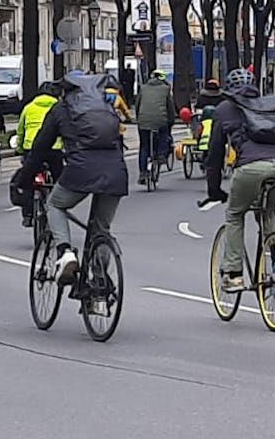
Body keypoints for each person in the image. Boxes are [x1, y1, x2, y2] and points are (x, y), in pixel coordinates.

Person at [14, 72, 129, 296]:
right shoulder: (105, 109)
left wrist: (24, 179)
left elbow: (39, 149)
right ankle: (99, 283)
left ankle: (65, 252)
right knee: (101, 229)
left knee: (55, 205)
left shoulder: (62, 109)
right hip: (116, 172)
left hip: (81, 170)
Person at [204, 68, 275, 292]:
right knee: (268, 212)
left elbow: (215, 155)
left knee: (235, 214)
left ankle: (233, 275)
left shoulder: (224, 109)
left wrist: (214, 190)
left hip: (251, 167)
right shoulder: (269, 105)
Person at [15, 81, 64, 225]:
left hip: (31, 149)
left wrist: (20, 148)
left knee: (27, 180)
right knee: (59, 180)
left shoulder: (29, 107)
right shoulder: (60, 108)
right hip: (54, 148)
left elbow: (21, 130)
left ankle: (27, 215)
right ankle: (58, 207)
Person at [135, 69, 176, 184]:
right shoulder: (166, 89)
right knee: (164, 133)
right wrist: (171, 121)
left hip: (143, 121)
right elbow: (170, 108)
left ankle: (143, 173)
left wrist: (139, 119)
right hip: (160, 120)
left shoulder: (143, 88)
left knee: (144, 146)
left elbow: (137, 105)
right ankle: (161, 154)